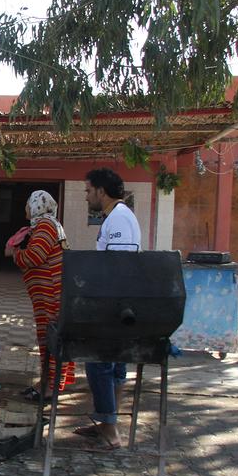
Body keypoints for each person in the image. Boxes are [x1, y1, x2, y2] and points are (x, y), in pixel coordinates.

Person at [75, 167, 142, 450]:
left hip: (115, 304)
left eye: (89, 190)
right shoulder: (116, 216)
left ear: (101, 191)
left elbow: (118, 265)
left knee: (99, 363)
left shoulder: (119, 218)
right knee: (114, 365)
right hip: (118, 302)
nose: (87, 196)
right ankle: (106, 423)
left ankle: (111, 431)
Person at [4, 190, 74, 401]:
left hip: (51, 295)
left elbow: (35, 256)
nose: (25, 208)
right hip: (48, 295)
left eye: (28, 203)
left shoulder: (45, 226)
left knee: (52, 339)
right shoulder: (47, 225)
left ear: (37, 205)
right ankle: (46, 382)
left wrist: (15, 253)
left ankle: (51, 386)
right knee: (47, 338)